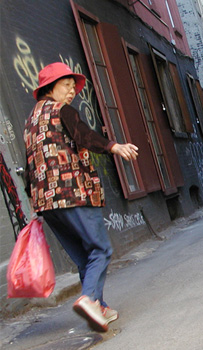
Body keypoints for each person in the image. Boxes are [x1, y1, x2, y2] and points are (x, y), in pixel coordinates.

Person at [24, 62, 138, 332]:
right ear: (49, 88)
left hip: (46, 202)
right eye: (66, 85)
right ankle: (89, 299)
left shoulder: (30, 121)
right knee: (100, 250)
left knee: (84, 257)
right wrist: (114, 146)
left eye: (74, 87)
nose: (72, 91)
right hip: (73, 192)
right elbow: (83, 135)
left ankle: (99, 307)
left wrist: (33, 200)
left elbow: (28, 162)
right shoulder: (62, 110)